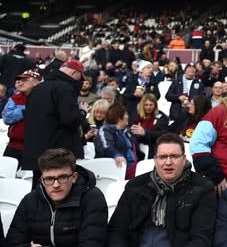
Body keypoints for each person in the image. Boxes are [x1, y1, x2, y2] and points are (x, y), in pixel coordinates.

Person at [108, 133, 216, 247]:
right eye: (163, 157)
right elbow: (116, 232)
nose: (168, 162)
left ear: (184, 159)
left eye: (174, 156)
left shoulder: (202, 188)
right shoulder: (135, 186)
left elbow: (201, 240)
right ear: (155, 159)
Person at [1, 148, 108, 247]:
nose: (56, 184)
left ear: (74, 177)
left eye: (62, 177)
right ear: (42, 180)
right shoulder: (30, 201)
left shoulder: (92, 199)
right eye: (49, 179)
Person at [23, 59, 87, 189]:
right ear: (75, 73)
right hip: (58, 153)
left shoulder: (37, 88)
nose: (79, 82)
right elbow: (70, 120)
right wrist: (82, 113)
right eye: (80, 78)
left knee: (38, 190)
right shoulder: (65, 88)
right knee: (56, 191)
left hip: (37, 150)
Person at [2, 70, 41, 168]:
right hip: (14, 145)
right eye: (19, 80)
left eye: (25, 80)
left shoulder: (43, 98)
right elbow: (6, 118)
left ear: (36, 82)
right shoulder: (15, 98)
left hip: (35, 147)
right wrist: (24, 110)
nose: (20, 82)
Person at [95, 103, 140, 180]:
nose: (128, 116)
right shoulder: (105, 130)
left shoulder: (126, 132)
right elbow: (105, 146)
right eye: (126, 114)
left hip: (133, 168)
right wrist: (116, 155)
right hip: (115, 169)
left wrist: (143, 133)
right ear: (119, 117)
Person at [131, 93, 170, 158]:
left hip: (153, 146)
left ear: (155, 105)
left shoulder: (162, 117)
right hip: (138, 144)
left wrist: (145, 132)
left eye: (151, 105)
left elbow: (162, 133)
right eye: (146, 105)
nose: (148, 107)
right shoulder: (137, 116)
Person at [122, 60, 160, 124]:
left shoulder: (153, 82)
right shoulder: (132, 80)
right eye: (148, 68)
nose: (150, 70)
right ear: (141, 70)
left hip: (147, 113)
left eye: (151, 68)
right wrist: (134, 94)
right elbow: (125, 96)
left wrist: (145, 95)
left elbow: (157, 96)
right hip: (133, 111)